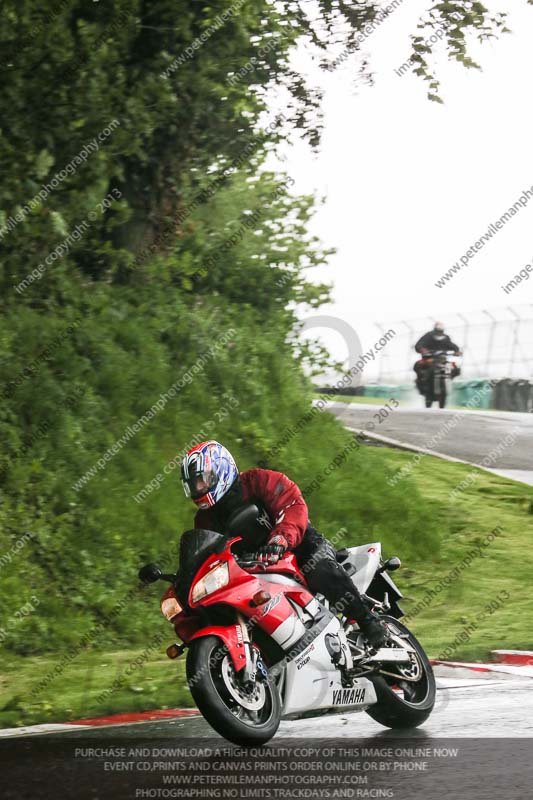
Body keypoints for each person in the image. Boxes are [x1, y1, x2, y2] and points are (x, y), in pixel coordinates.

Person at [180, 440, 390, 648]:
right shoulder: (204, 520)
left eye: (202, 481)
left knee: (320, 570)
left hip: (301, 547)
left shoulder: (259, 480)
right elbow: (208, 553)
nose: (197, 489)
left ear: (220, 469)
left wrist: (281, 538)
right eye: (192, 485)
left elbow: (292, 505)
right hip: (255, 570)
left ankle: (367, 620)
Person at [414, 322, 461, 392]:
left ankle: (447, 381)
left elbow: (452, 345)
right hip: (429, 358)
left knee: (455, 368)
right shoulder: (428, 336)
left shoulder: (446, 338)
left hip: (442, 359)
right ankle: (423, 383)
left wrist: (456, 351)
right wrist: (423, 350)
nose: (439, 333)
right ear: (434, 330)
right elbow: (419, 345)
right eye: (438, 331)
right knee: (418, 365)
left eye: (441, 331)